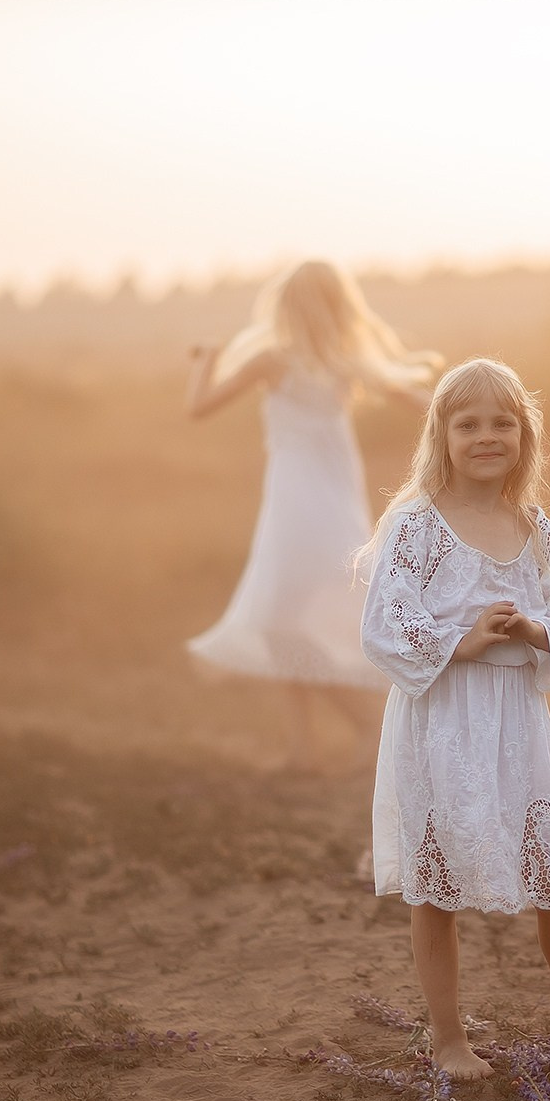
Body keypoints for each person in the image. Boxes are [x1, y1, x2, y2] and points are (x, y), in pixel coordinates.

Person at [359, 358, 550, 1078]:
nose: (487, 436)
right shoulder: (416, 528)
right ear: (442, 435)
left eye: (503, 422)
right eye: (469, 424)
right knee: (438, 880)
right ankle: (448, 1039)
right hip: (441, 718)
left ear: (524, 436)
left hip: (516, 721)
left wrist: (533, 633)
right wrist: (459, 642)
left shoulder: (534, 526)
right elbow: (384, 624)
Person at [184, 261, 439, 769]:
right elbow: (423, 403)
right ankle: (305, 748)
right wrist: (479, 418)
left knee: (281, 620)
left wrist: (206, 359)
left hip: (296, 506)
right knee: (285, 620)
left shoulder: (272, 360)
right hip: (333, 503)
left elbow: (198, 406)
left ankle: (361, 727)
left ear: (285, 307)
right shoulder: (346, 361)